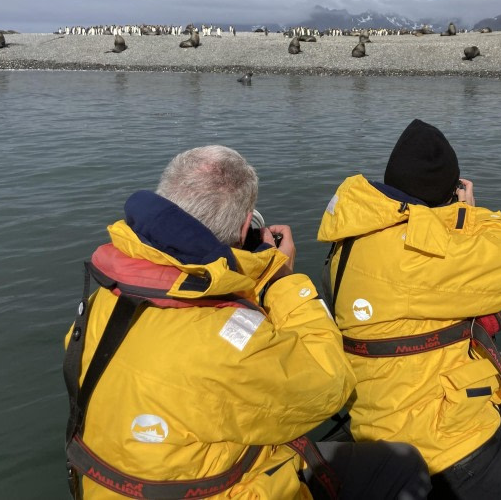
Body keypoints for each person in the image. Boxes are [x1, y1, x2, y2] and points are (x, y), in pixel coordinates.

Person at [63, 145, 431, 499]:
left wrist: (235, 278)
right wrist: (281, 278)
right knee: (400, 465)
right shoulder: (222, 339)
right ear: (243, 230)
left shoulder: (100, 302)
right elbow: (331, 386)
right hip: (223, 491)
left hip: (108, 486)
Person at [317, 119, 501, 499]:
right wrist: (470, 214)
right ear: (446, 193)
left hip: (419, 402)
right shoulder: (418, 255)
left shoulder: (356, 234)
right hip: (433, 432)